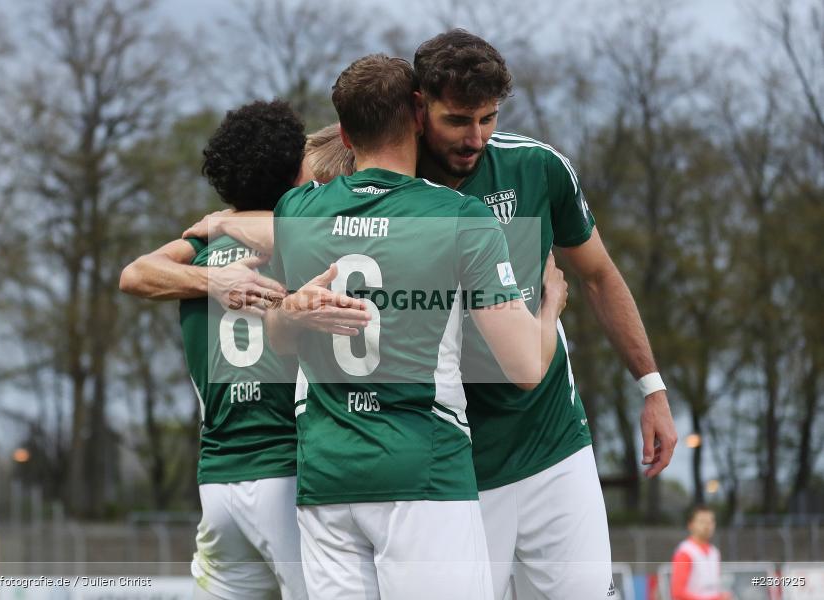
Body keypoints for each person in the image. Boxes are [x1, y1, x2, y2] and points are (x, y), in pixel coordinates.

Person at [263, 53, 569, 600]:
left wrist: (286, 311)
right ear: (417, 116)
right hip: (422, 470)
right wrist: (551, 307)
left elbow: (279, 340)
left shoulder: (295, 210)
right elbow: (525, 369)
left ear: (344, 132)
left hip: (326, 477)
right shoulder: (457, 216)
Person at [411, 30, 678, 600]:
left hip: (553, 439)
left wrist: (651, 388)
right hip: (455, 462)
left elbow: (600, 275)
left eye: (487, 118)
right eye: (458, 120)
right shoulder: (388, 183)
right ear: (418, 106)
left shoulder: (536, 168)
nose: (475, 137)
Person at [120, 100, 312, 600]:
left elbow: (133, 273)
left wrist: (212, 253)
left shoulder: (197, 257)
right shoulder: (297, 245)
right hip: (287, 476)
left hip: (219, 485)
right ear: (295, 171)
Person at [670, 506, 732, 600]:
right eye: (702, 521)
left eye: (710, 522)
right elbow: (678, 593)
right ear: (691, 525)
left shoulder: (714, 552)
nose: (707, 526)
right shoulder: (686, 552)